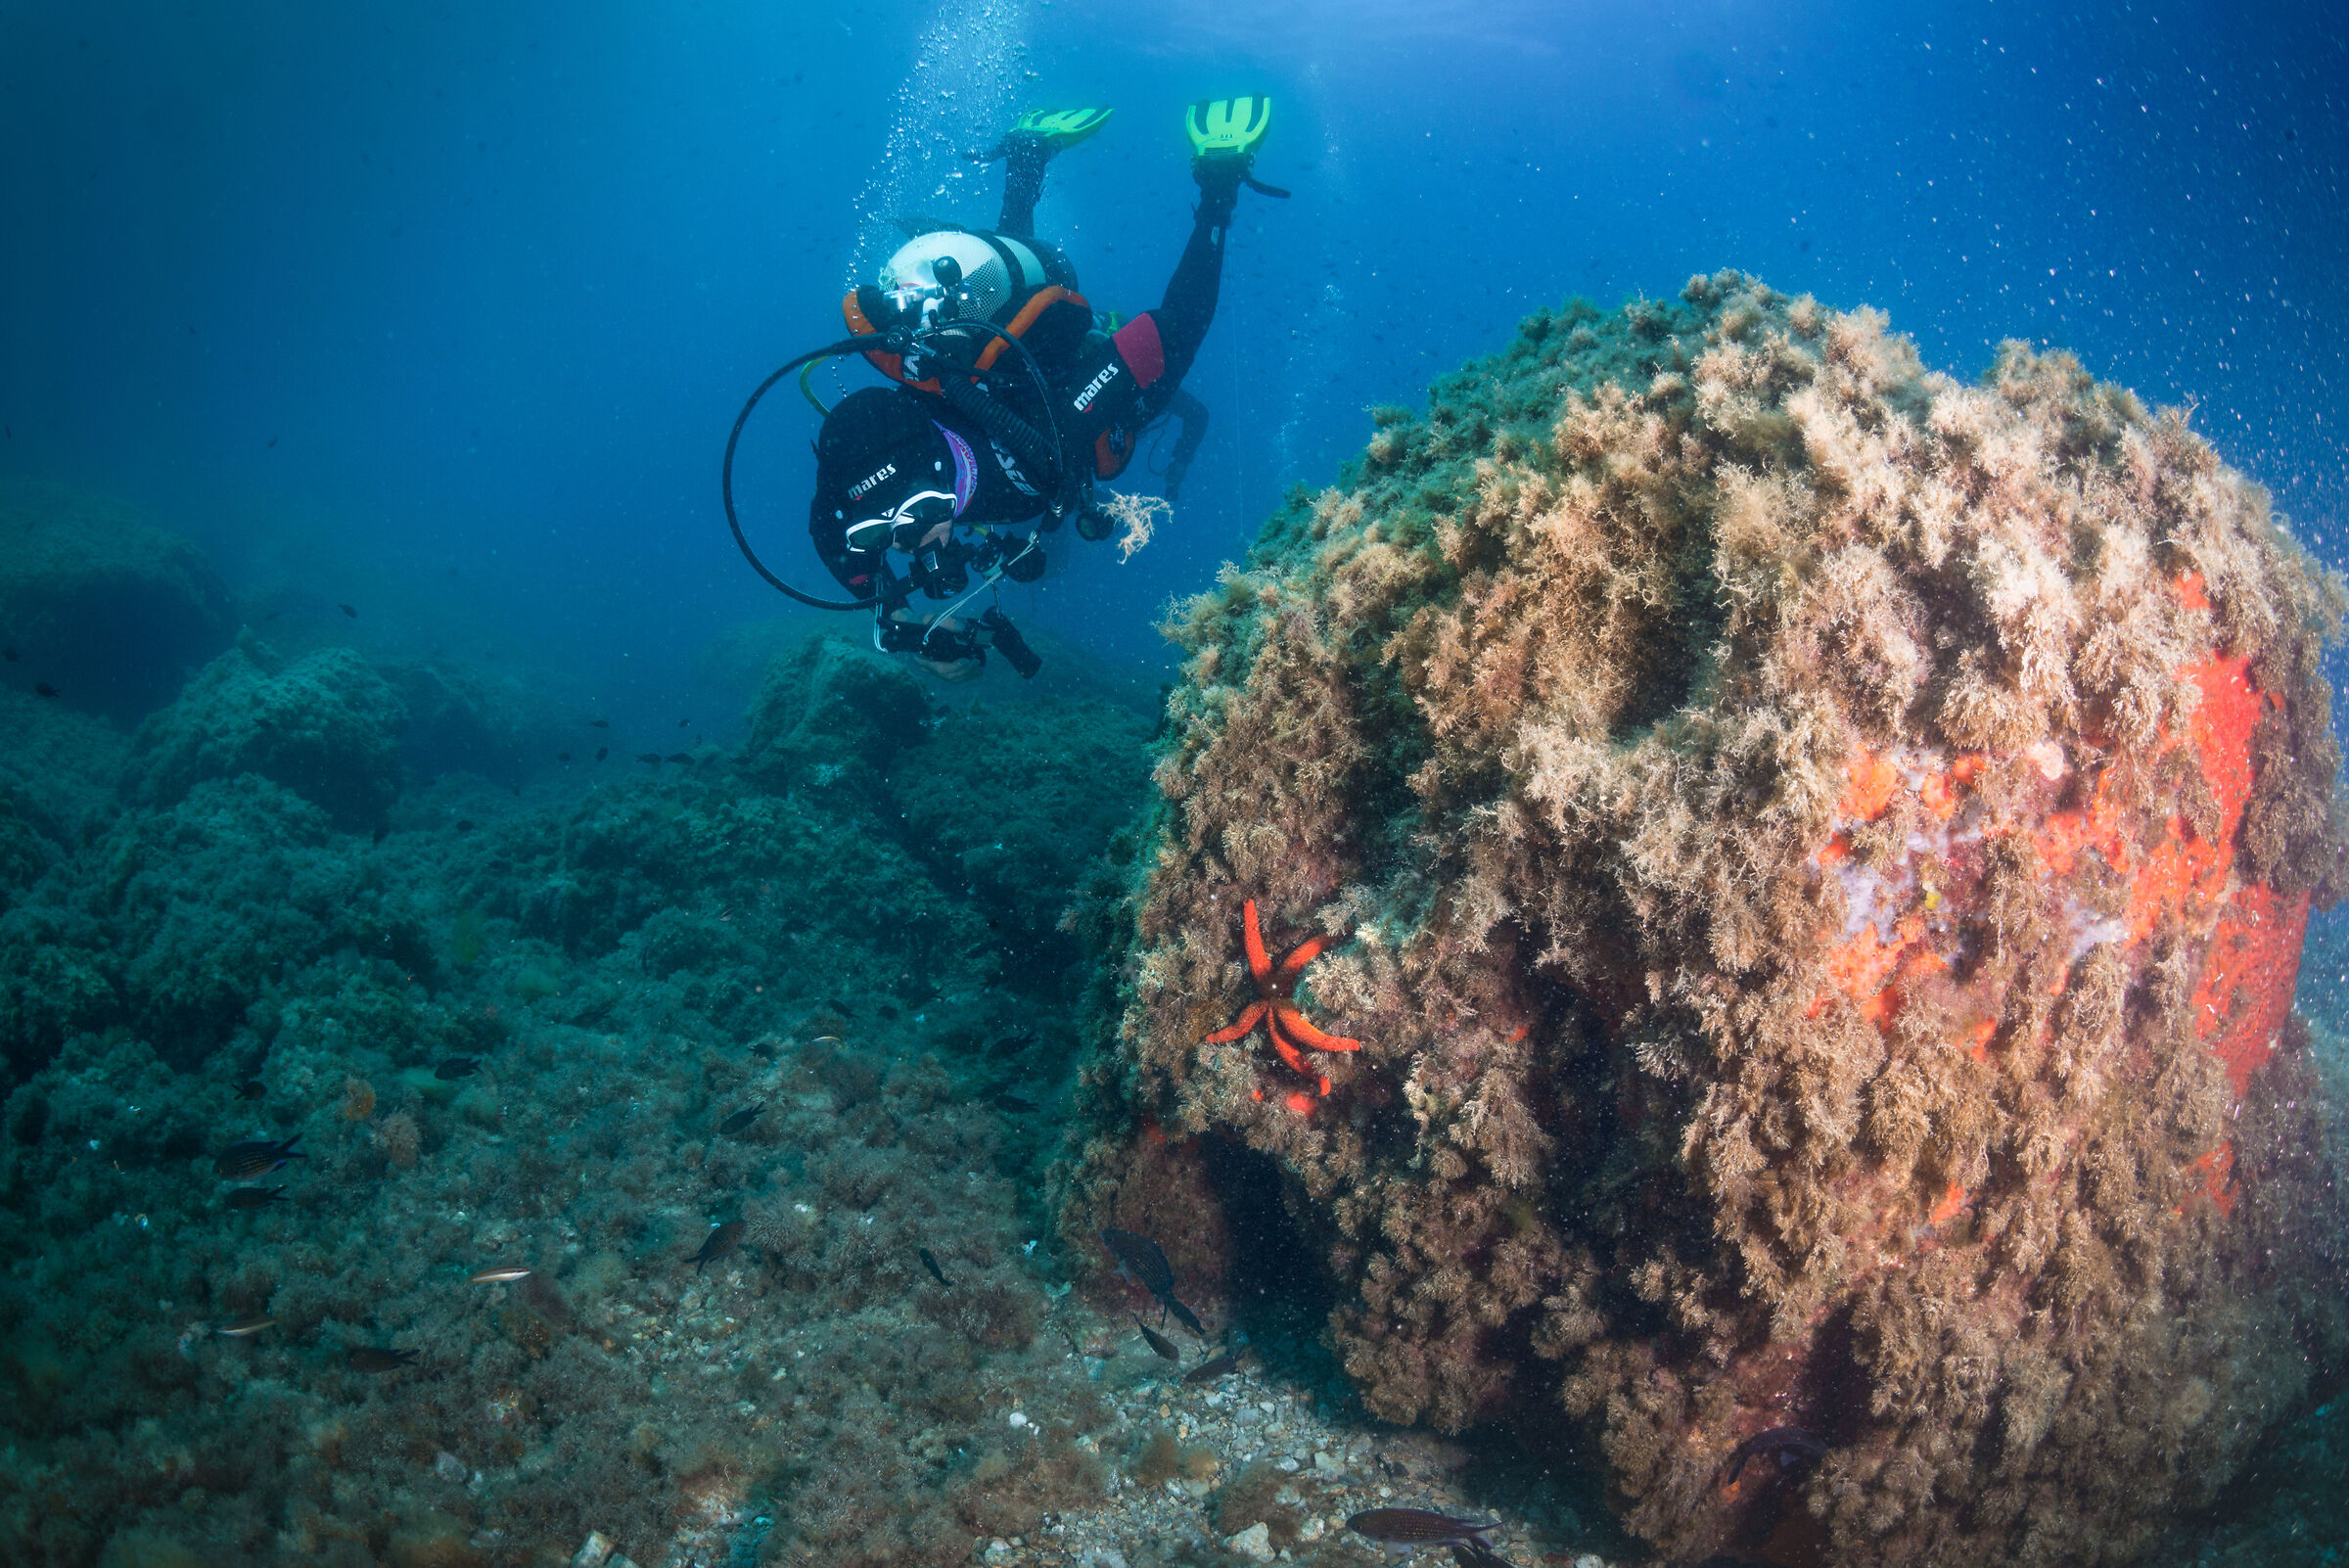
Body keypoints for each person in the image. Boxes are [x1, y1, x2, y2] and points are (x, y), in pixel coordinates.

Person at [806, 97, 1281, 679]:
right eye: (885, 527)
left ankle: (1217, 181)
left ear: (931, 468)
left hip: (1060, 399)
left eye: (903, 522)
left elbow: (1174, 326)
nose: (904, 543)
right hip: (995, 373)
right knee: (996, 339)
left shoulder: (1055, 422)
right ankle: (1027, 159)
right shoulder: (874, 482)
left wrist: (1216, 196)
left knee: (1167, 361)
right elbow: (831, 534)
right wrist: (899, 622)